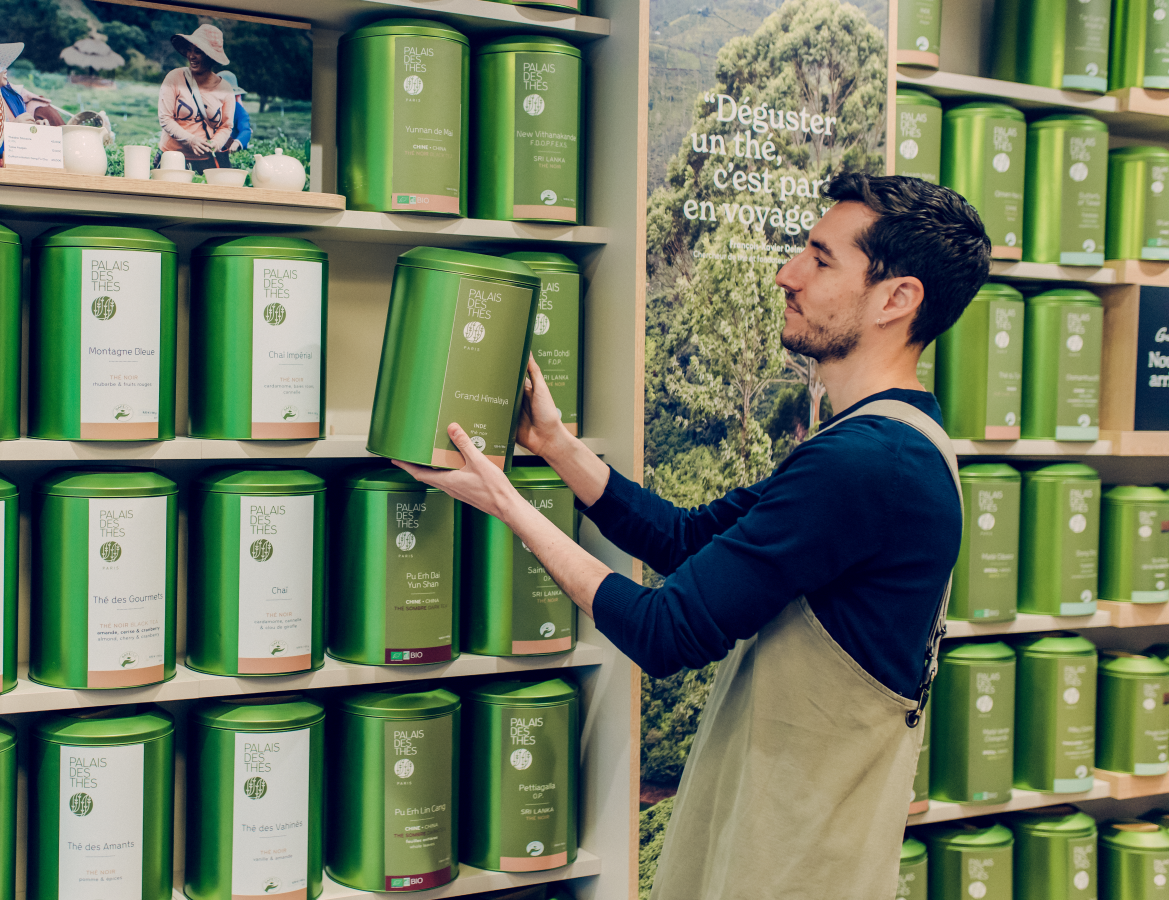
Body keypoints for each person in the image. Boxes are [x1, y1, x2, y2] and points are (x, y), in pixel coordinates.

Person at [394, 174, 992, 899]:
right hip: (790, 845)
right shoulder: (895, 441)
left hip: (792, 868)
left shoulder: (868, 463)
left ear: (898, 298)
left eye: (820, 259)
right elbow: (689, 541)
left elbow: (664, 632)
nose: (787, 274)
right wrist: (555, 446)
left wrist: (509, 505)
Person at [158, 24, 236, 172]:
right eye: (189, 50)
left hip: (206, 161)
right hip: (172, 156)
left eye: (198, 52)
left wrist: (216, 143)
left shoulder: (226, 89)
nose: (191, 56)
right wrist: (191, 140)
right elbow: (165, 118)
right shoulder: (174, 78)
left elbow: (226, 126)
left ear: (211, 56)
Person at [0, 29, 66, 127]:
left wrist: (36, 129)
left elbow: (23, 133)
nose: (5, 69)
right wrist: (13, 127)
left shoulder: (11, 95)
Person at [215, 69, 254, 152]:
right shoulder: (210, 108)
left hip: (232, 149)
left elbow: (245, 130)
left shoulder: (238, 109)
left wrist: (237, 143)